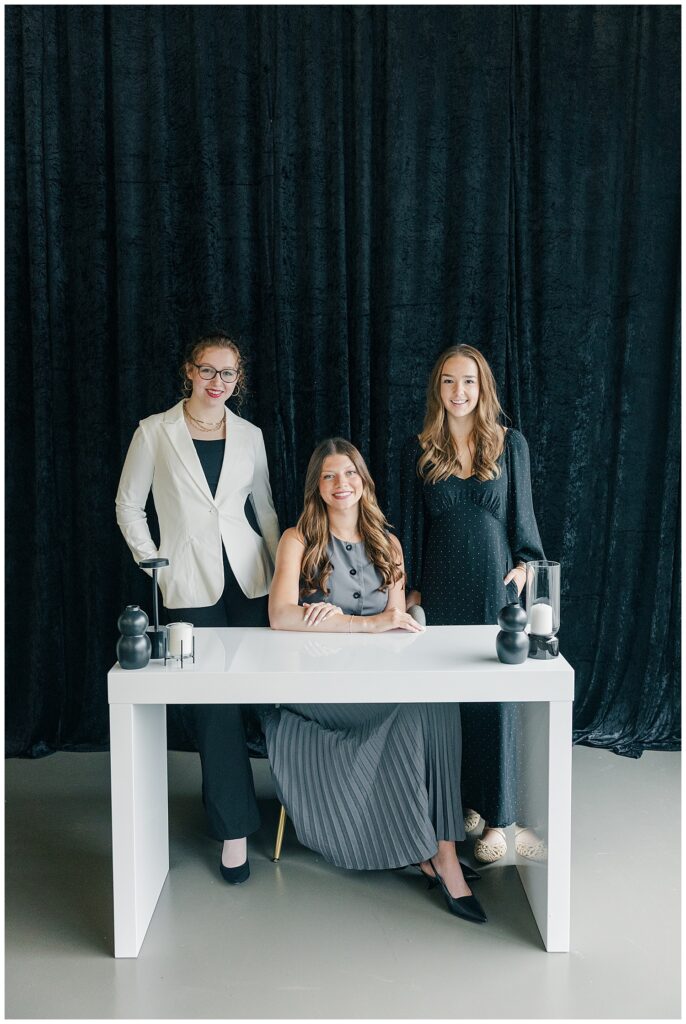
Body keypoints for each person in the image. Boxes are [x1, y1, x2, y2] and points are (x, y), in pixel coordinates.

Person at [264, 437, 487, 924]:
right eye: (328, 476)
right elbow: (280, 616)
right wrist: (358, 624)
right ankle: (435, 855)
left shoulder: (388, 544)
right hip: (319, 694)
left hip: (376, 682)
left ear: (364, 481)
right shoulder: (297, 539)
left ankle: (442, 850)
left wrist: (379, 622)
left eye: (349, 474)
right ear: (317, 487)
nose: (340, 484)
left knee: (440, 705)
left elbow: (398, 622)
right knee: (419, 711)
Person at [116, 332, 280, 883]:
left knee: (268, 697)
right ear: (189, 371)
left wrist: (285, 571)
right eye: (208, 371)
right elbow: (128, 505)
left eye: (228, 373)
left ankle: (309, 811)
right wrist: (154, 562)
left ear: (239, 379)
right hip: (188, 583)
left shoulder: (250, 434)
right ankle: (234, 831)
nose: (217, 382)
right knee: (214, 707)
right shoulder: (154, 432)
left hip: (252, 578)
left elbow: (265, 509)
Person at [400, 344, 546, 863]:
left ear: (482, 388)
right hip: (439, 589)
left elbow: (523, 520)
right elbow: (409, 525)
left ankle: (500, 818)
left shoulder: (511, 445)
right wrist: (409, 587)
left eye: (468, 382)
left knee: (495, 702)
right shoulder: (421, 448)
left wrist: (526, 565)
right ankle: (465, 802)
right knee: (448, 703)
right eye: (447, 382)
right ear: (436, 389)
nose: (458, 392)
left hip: (491, 587)